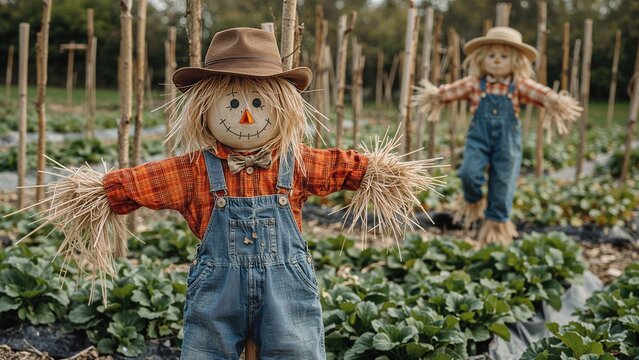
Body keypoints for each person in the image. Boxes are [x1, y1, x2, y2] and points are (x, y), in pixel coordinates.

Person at [34, 27, 443, 359]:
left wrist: (379, 173)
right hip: (218, 294)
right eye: (231, 103)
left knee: (297, 348)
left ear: (283, 108)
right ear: (204, 110)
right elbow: (145, 182)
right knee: (207, 350)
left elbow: (344, 167)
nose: (246, 116)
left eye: (259, 104)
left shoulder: (296, 163)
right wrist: (99, 193)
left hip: (287, 290)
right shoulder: (194, 171)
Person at [414, 26, 581, 245]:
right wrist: (435, 95)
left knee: (503, 182)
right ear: (481, 59)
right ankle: (474, 201)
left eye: (504, 56)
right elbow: (449, 91)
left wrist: (554, 101)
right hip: (479, 138)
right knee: (468, 173)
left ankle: (495, 230)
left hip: (507, 141)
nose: (497, 61)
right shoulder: (474, 84)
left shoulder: (518, 85)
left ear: (516, 61)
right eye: (491, 55)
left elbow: (542, 93)